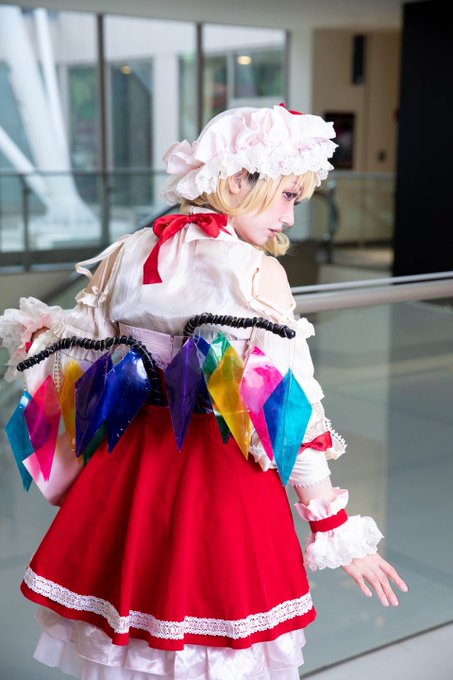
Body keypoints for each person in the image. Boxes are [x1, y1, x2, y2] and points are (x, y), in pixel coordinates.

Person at [0, 104, 407, 680]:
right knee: (222, 645)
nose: (291, 217)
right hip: (222, 481)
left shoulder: (129, 252)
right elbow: (288, 412)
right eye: (288, 195)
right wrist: (332, 527)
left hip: (130, 478)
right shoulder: (256, 272)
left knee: (129, 637)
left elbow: (77, 363)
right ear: (239, 180)